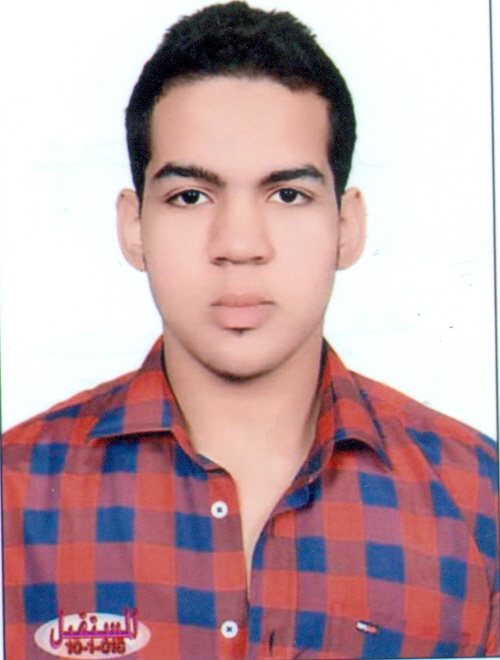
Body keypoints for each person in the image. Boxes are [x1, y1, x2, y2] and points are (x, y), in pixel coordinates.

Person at [2, 2, 498, 659]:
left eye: (288, 195)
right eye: (191, 196)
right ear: (134, 226)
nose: (239, 245)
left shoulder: (479, 500)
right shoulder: (13, 497)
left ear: (347, 226)